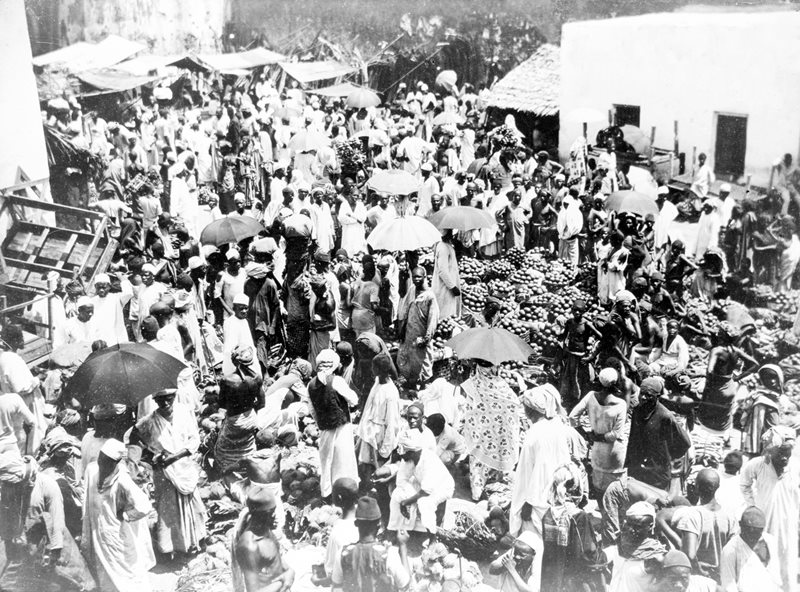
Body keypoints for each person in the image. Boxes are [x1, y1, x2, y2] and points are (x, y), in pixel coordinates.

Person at [132, 389, 207, 557]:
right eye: (160, 400)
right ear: (155, 401)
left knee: (192, 505)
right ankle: (173, 547)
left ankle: (197, 540)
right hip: (165, 472)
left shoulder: (184, 412)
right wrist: (151, 457)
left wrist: (174, 457)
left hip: (184, 468)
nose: (165, 403)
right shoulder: (150, 421)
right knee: (168, 510)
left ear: (174, 397)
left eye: (169, 399)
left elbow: (194, 440)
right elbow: (133, 437)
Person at [82, 439, 155, 592]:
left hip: (115, 534)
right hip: (97, 530)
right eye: (100, 458)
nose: (101, 463)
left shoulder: (122, 479)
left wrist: (127, 516)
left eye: (106, 461)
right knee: (103, 568)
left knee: (124, 569)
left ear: (115, 462)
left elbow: (144, 506)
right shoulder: (92, 469)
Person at [740, 426, 800, 592]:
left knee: (788, 563)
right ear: (770, 451)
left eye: (787, 453)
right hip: (764, 523)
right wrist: (752, 506)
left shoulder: (796, 467)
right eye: (780, 453)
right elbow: (744, 484)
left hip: (788, 526)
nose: (784, 458)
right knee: (762, 563)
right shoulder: (758, 465)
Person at [461, 361, 522, 500]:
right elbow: (514, 404)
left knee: (478, 461)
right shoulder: (502, 386)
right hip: (499, 432)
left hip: (479, 432)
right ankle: (494, 485)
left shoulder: (471, 384)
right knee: (498, 455)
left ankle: (477, 492)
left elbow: (469, 409)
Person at [308, 349, 359, 499]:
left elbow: (311, 409)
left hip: (325, 428)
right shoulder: (336, 381)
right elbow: (354, 399)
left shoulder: (311, 384)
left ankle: (327, 492)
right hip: (341, 426)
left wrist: (321, 422)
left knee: (327, 461)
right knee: (344, 460)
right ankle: (347, 491)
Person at [569, 368, 628, 494]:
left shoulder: (591, 396)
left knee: (599, 486)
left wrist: (586, 435)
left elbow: (572, 417)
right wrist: (596, 437)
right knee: (615, 489)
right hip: (614, 452)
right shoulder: (621, 404)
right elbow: (615, 434)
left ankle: (602, 511)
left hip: (597, 451)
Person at [626, 377, 691, 492]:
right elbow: (633, 438)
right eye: (642, 393)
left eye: (648, 395)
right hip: (637, 469)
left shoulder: (665, 417)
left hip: (657, 473)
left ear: (657, 397)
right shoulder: (637, 410)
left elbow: (684, 443)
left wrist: (666, 456)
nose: (643, 397)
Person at [337, 496, 411, 592]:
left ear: (356, 523)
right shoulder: (389, 554)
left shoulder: (342, 553)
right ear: (379, 525)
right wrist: (403, 545)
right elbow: (406, 586)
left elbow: (336, 587)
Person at [387, 429, 454, 534]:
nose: (401, 456)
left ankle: (432, 537)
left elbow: (426, 492)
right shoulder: (408, 458)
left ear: (413, 452)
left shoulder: (429, 460)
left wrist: (406, 502)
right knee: (397, 494)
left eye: (403, 452)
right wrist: (405, 498)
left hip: (441, 487)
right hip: (422, 483)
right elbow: (401, 480)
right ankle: (397, 529)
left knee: (424, 503)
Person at [232, 487, 295, 592]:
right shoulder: (249, 546)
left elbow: (274, 560)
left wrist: (290, 571)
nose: (274, 516)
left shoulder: (266, 531)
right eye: (270, 513)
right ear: (258, 515)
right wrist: (282, 581)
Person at [357, 355, 402, 483]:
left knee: (377, 468)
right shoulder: (377, 382)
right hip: (369, 431)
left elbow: (392, 422)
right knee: (364, 465)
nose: (371, 369)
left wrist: (386, 448)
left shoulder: (391, 393)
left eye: (373, 366)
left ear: (379, 369)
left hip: (379, 436)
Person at [311, 477, 359, 589]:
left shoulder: (338, 532)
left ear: (339, 497)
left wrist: (316, 580)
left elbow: (333, 575)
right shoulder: (365, 520)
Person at [720, 506, 781, 592]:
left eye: (757, 533)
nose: (752, 537)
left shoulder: (771, 542)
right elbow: (729, 586)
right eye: (749, 532)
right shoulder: (730, 550)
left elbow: (775, 577)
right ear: (741, 526)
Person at [608, 502, 666, 592]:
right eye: (629, 524)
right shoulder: (620, 546)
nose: (631, 530)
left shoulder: (655, 555)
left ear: (650, 527)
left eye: (637, 527)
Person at [396, 267, 439, 387]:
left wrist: (427, 338)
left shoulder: (430, 296)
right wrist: (402, 330)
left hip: (421, 337)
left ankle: (423, 388)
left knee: (423, 365)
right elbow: (406, 311)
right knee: (408, 363)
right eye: (414, 277)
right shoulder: (412, 290)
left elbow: (433, 320)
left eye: (419, 277)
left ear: (425, 277)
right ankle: (412, 387)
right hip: (410, 335)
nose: (416, 279)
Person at [222, 293, 262, 378]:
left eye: (246, 308)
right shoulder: (230, 322)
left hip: (248, 357)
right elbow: (230, 348)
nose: (244, 311)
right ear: (234, 308)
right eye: (241, 308)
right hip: (237, 360)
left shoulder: (245, 321)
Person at [90, 272, 132, 346]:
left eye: (104, 287)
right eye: (99, 287)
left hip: (115, 338)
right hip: (99, 340)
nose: (101, 290)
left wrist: (123, 280)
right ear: (95, 287)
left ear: (109, 286)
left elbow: (129, 293)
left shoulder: (116, 298)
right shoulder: (91, 301)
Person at [431, 230, 462, 319]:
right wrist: (452, 287)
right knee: (445, 316)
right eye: (450, 232)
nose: (452, 235)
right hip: (445, 288)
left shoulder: (447, 246)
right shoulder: (443, 247)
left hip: (447, 286)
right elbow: (443, 271)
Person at [557, 193, 583, 265]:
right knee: (562, 259)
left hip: (572, 240)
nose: (565, 206)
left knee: (572, 260)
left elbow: (575, 227)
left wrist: (569, 233)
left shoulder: (576, 213)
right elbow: (560, 225)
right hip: (563, 240)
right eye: (564, 204)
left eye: (567, 204)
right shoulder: (562, 213)